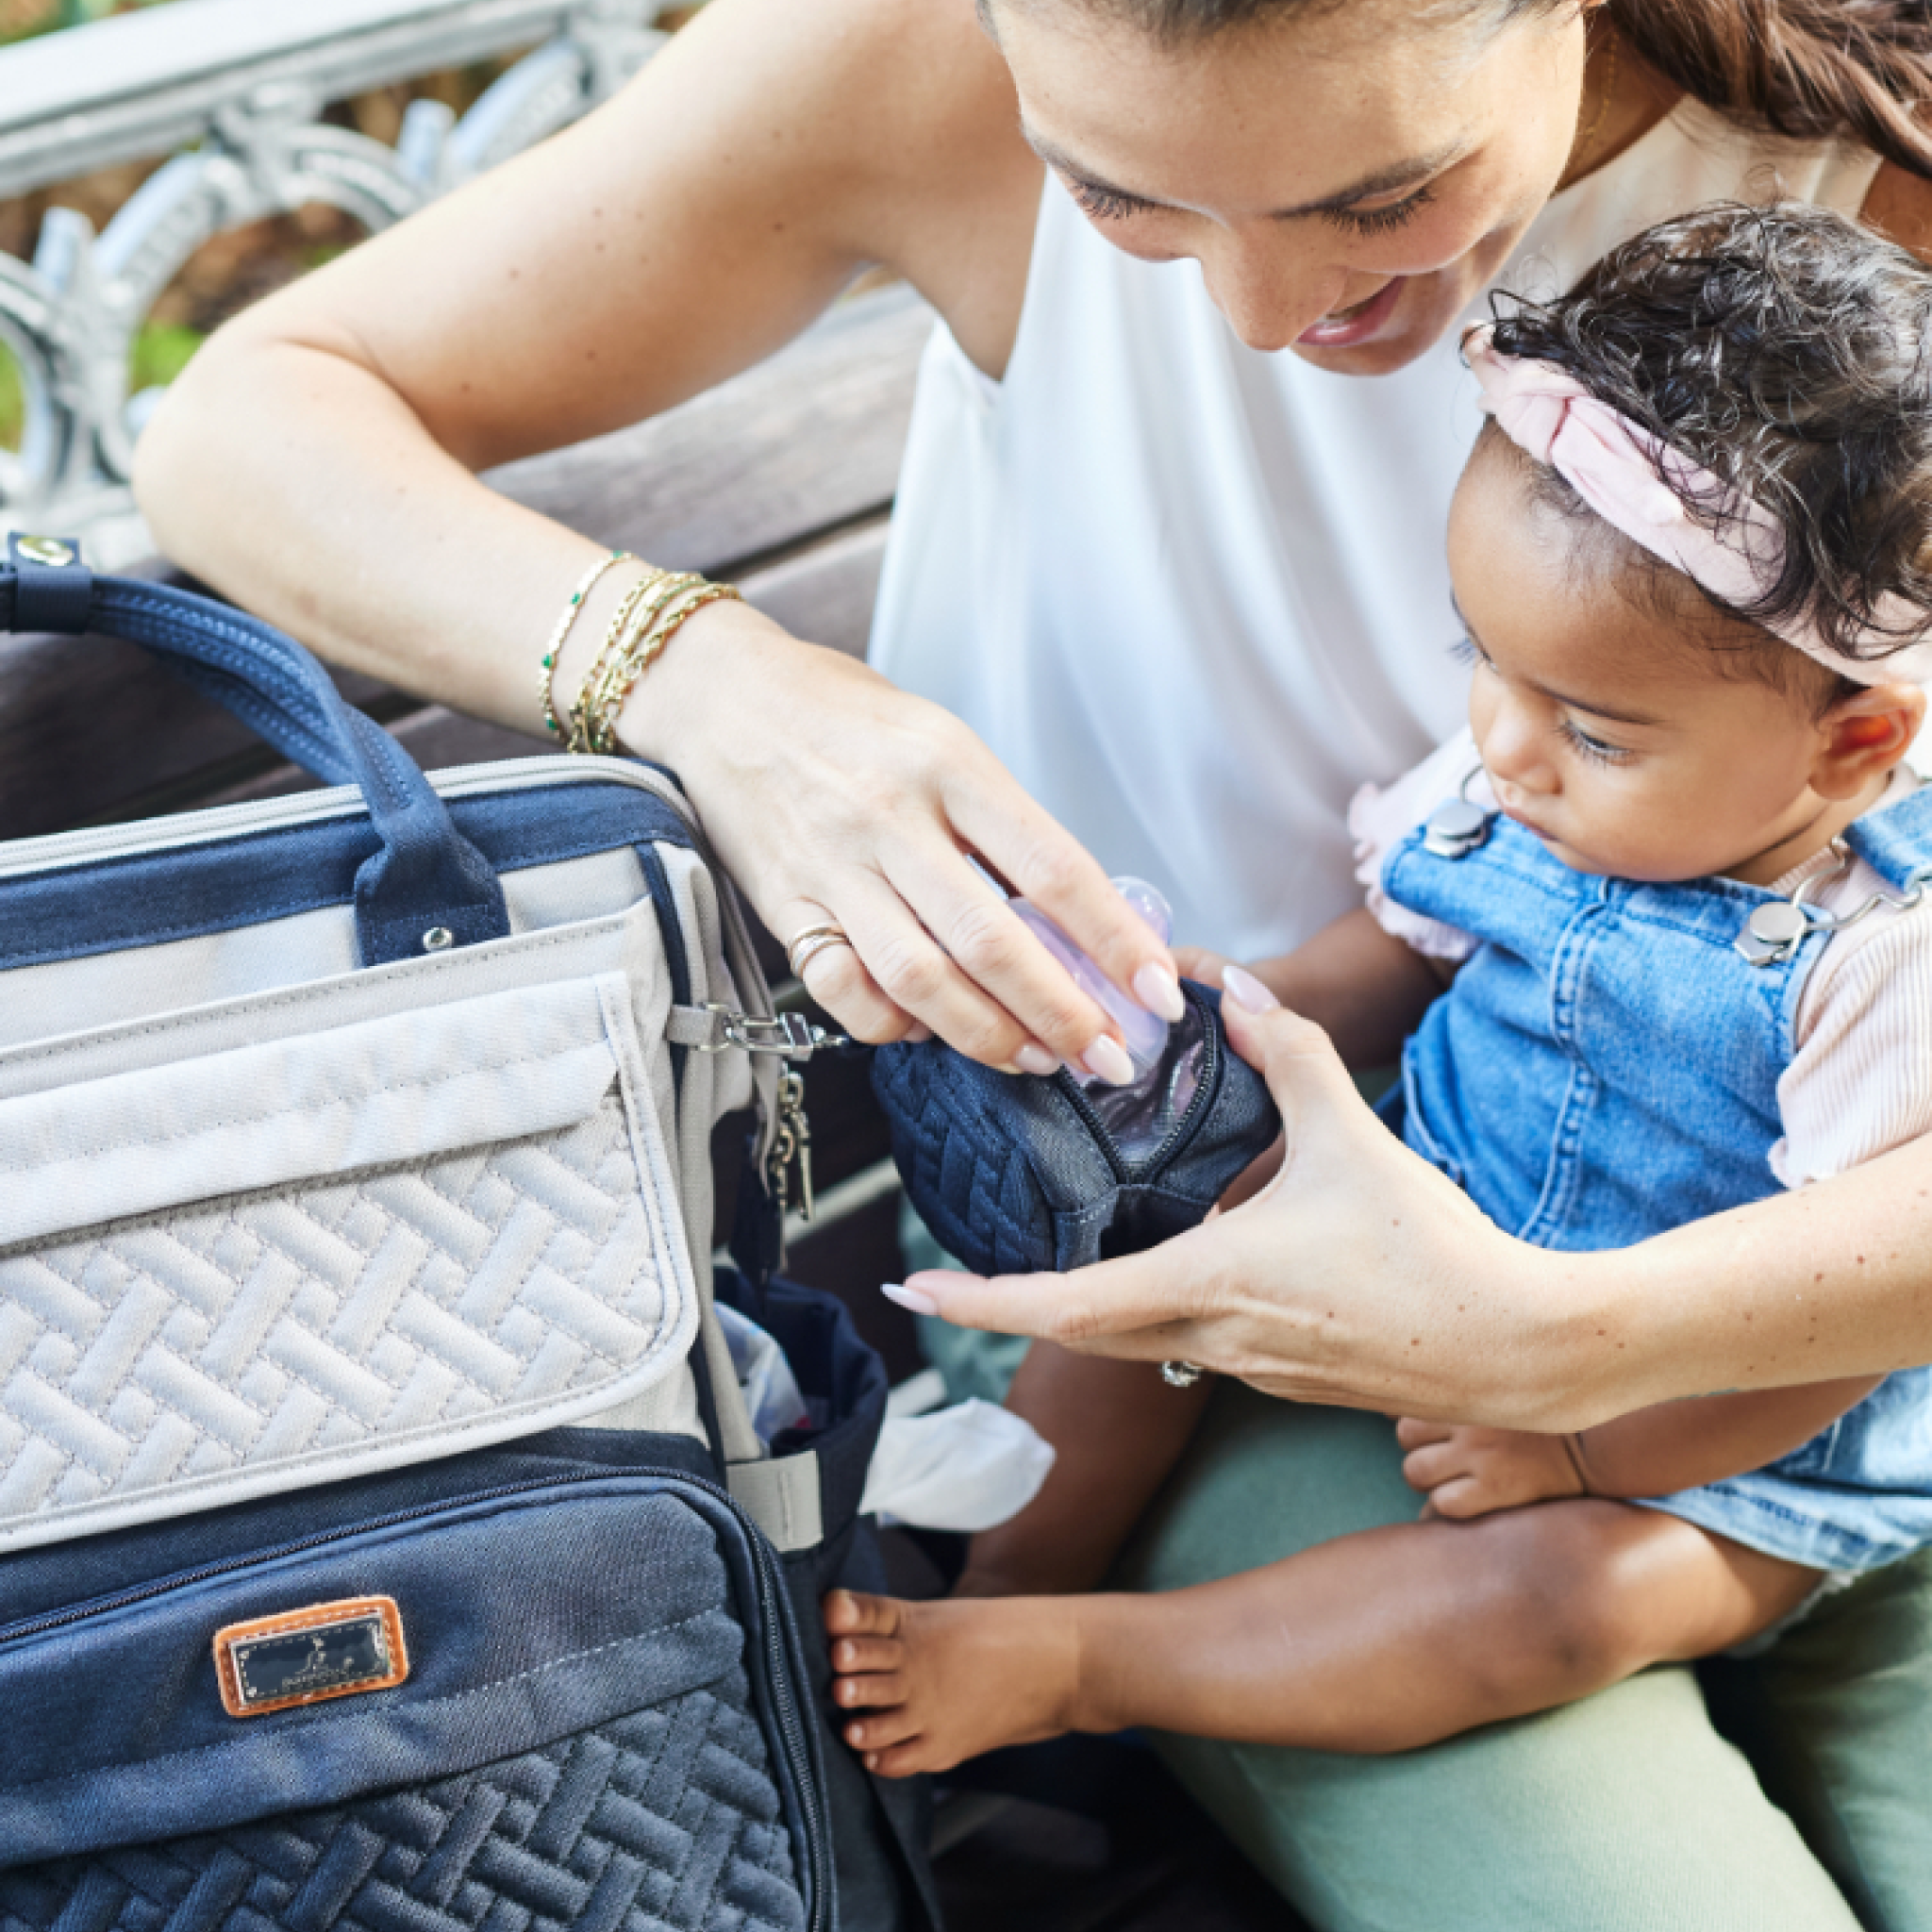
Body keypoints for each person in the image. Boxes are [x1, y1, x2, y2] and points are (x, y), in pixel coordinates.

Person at [131, 0, 1932, 1920]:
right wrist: (713, 684)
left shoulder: (1870, 191)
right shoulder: (917, 51)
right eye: (1118, 196)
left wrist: (1561, 1351)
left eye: (1380, 196)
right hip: (1175, 1281)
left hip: (1812, 1334)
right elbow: (248, 424)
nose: (1258, 314)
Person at [829, 201, 1932, 1778]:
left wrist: (1579, 1446)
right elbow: (1401, 955)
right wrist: (1239, 1007)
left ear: (1856, 742)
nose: (1504, 746)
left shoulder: (1883, 959)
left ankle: (1086, 1666)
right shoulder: (1537, 765)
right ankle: (1008, 1577)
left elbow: (1823, 1340)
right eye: (1477, 656)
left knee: (1563, 1603)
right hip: (1421, 1225)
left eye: (1593, 731)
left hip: (1718, 1440)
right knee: (1182, 1225)